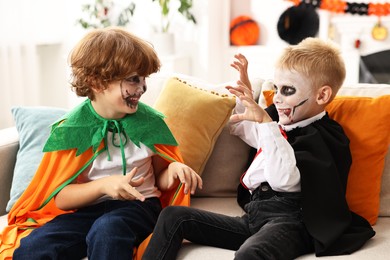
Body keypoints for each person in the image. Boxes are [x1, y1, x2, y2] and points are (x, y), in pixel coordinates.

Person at [142, 37, 375, 260]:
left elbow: (283, 180)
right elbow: (244, 129)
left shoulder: (326, 135)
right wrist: (246, 98)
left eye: (288, 90)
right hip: (255, 216)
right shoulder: (276, 119)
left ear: (322, 95)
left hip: (293, 222)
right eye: (276, 88)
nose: (278, 99)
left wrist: (266, 124)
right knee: (175, 217)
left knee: (251, 255)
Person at [0, 27, 202, 260]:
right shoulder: (72, 129)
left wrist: (173, 171)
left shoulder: (150, 123)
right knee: (33, 247)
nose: (142, 88)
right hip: (87, 211)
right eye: (133, 79)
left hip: (140, 207)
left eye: (144, 78)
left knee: (108, 231)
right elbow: (62, 199)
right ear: (96, 82)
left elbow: (160, 178)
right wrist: (104, 186)